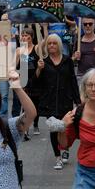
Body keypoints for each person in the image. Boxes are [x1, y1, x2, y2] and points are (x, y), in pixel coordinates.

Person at [36, 34, 80, 169]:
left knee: (65, 128)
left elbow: (73, 81)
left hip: (65, 100)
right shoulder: (43, 62)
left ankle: (65, 149)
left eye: (54, 43)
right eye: (49, 44)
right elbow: (36, 82)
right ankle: (58, 157)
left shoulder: (67, 61)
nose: (51, 46)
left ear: (59, 45)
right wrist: (39, 69)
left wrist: (77, 101)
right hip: (49, 102)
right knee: (55, 128)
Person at [12, 28, 41, 136]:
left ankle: (36, 124)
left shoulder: (36, 48)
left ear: (31, 37)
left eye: (26, 35)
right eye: (22, 35)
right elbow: (14, 66)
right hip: (24, 79)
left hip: (35, 78)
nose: (24, 37)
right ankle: (26, 127)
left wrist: (44, 28)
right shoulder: (19, 50)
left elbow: (43, 47)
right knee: (25, 104)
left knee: (35, 103)